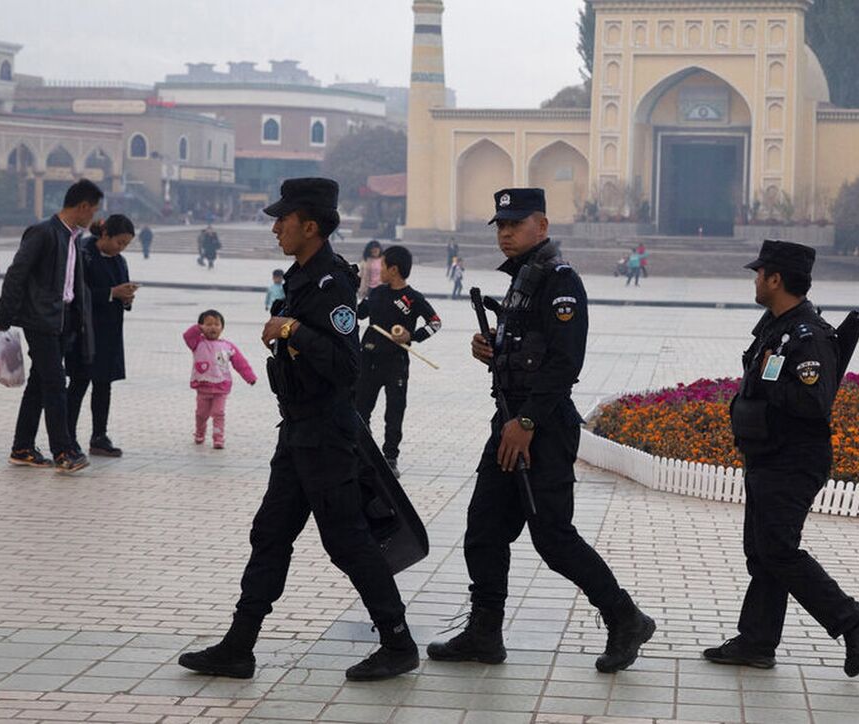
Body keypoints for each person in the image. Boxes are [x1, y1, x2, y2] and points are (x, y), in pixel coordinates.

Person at [178, 178, 419, 682]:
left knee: (348, 541)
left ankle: (398, 642)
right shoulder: (301, 277)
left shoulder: (331, 282)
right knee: (269, 535)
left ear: (310, 225)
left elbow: (345, 364)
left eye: (283, 219)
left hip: (327, 434)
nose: (275, 227)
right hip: (298, 430)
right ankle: (238, 646)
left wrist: (291, 330)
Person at [428, 187, 655, 673]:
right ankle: (484, 633)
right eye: (501, 226)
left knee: (553, 537)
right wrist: (493, 347)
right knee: (484, 529)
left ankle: (625, 617)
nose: (506, 233)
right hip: (508, 423)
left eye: (516, 224)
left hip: (541, 428)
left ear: (543, 226)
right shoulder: (522, 282)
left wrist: (527, 422)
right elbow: (529, 350)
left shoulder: (559, 282)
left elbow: (564, 363)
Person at [703, 239, 859, 676]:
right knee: (761, 553)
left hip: (794, 459)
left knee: (778, 551)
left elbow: (814, 402)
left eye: (760, 273)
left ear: (777, 279)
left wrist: (768, 383)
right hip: (767, 455)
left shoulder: (808, 335)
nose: (756, 280)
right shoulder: (775, 327)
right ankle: (757, 642)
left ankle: (852, 619)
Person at [0, 179, 101, 474]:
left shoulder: (72, 237)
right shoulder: (43, 233)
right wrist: (3, 314)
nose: (93, 217)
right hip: (40, 319)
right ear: (81, 207)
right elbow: (17, 273)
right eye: (92, 211)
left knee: (41, 383)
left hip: (61, 320)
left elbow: (72, 284)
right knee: (55, 382)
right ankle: (63, 451)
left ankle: (22, 447)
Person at [356, 245, 441, 476]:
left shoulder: (413, 299)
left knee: (394, 411)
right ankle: (363, 451)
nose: (379, 269)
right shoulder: (376, 293)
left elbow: (435, 323)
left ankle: (390, 457)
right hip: (368, 359)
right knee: (361, 406)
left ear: (393, 269)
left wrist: (411, 336)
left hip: (396, 363)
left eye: (382, 265)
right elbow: (357, 314)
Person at [66, 215, 138, 458]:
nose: (121, 248)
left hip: (109, 332)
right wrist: (110, 293)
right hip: (84, 332)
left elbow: (121, 291)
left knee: (103, 385)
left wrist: (126, 297)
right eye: (119, 242)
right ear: (105, 235)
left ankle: (99, 436)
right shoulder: (83, 254)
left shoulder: (120, 261)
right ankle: (67, 438)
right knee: (78, 384)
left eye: (126, 244)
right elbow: (75, 292)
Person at [183, 309, 257, 449]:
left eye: (216, 324)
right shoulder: (197, 344)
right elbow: (187, 336)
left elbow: (240, 363)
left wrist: (250, 377)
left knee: (218, 413)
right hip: (203, 385)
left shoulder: (227, 347)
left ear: (222, 327)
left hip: (221, 387)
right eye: (208, 324)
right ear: (201, 327)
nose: (213, 327)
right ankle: (199, 433)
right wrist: (198, 328)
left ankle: (218, 438)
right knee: (201, 413)